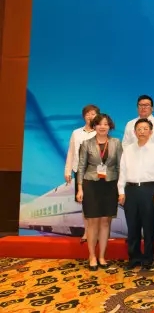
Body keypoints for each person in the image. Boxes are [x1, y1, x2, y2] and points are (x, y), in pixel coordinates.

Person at [76, 113, 123, 271]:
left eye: (106, 124)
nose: (102, 127)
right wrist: (80, 189)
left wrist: (121, 189)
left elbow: (120, 167)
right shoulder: (86, 144)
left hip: (110, 186)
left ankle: (102, 256)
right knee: (93, 222)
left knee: (105, 222)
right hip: (91, 185)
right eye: (99, 124)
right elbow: (81, 167)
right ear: (94, 126)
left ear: (110, 126)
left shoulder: (116, 143)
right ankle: (92, 256)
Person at [118, 118, 154, 270]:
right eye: (139, 129)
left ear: (151, 132)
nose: (142, 132)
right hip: (130, 190)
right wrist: (121, 191)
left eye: (145, 129)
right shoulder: (128, 150)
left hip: (149, 189)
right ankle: (134, 257)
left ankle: (148, 258)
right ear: (134, 132)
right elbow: (122, 172)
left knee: (149, 226)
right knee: (132, 226)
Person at [64, 104, 99, 242]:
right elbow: (71, 152)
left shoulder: (100, 131)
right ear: (84, 116)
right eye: (88, 114)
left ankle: (96, 232)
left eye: (93, 114)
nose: (90, 116)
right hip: (79, 171)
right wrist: (67, 170)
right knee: (85, 203)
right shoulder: (76, 133)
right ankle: (87, 231)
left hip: (96, 172)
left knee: (95, 203)